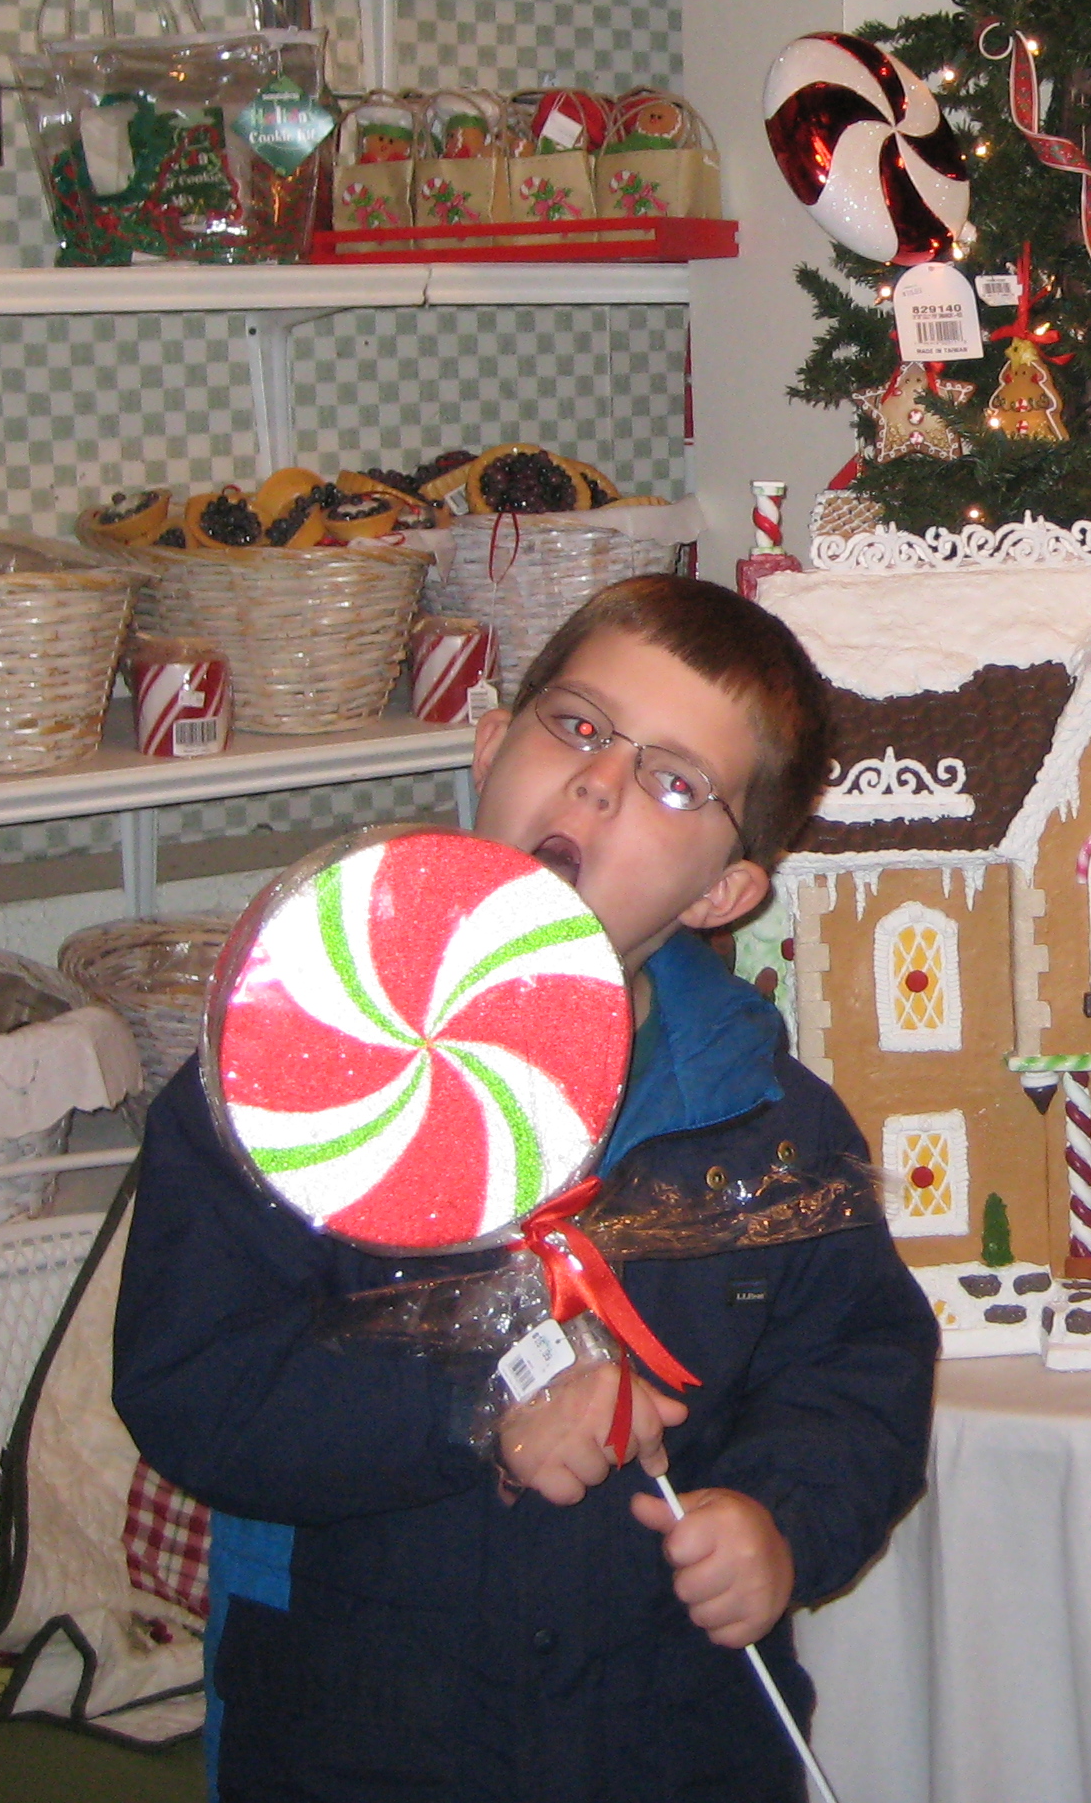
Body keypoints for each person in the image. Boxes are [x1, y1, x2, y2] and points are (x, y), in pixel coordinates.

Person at [116, 576, 937, 1802]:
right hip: (362, 1738)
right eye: (579, 726)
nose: (598, 782)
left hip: (669, 1742)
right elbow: (196, 1382)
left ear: (723, 892)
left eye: (674, 783)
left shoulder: (769, 1128)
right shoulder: (285, 1081)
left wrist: (781, 1522)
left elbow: (859, 1372)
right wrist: (477, 1404)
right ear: (493, 743)